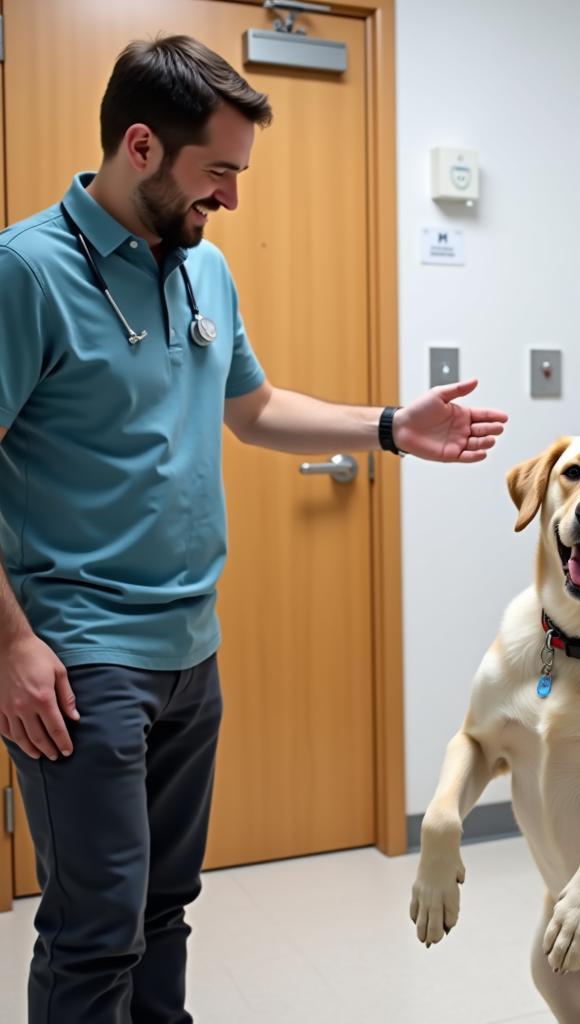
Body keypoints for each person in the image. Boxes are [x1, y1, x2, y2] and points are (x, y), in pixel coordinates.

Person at [0, 35, 507, 1024]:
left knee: (165, 908)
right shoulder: (27, 272)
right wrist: (12, 641)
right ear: (140, 147)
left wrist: (390, 429)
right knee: (96, 925)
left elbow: (253, 406)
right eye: (218, 172)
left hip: (193, 648)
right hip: (79, 655)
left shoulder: (203, 269)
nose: (231, 197)